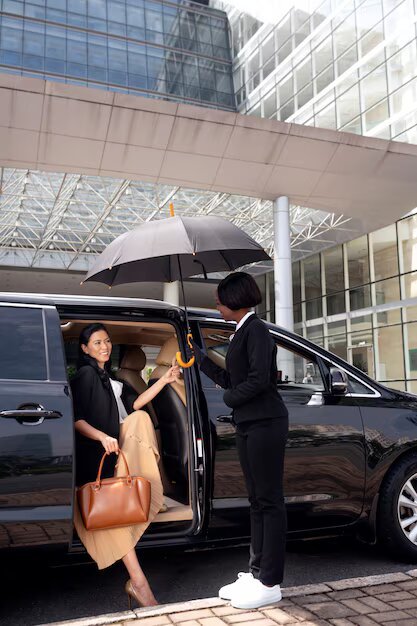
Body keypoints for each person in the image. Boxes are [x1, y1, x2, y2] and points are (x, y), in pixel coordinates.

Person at [193, 272, 289, 610]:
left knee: (269, 501)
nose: (216, 305)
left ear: (235, 301)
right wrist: (200, 360)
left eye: (220, 300)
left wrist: (230, 399)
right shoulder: (241, 332)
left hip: (266, 423)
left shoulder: (257, 331)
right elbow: (232, 378)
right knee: (257, 501)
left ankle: (270, 582)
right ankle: (256, 571)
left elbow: (260, 381)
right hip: (250, 423)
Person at [71, 323, 180, 608]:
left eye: (107, 341)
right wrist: (104, 437)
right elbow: (77, 419)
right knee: (114, 518)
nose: (104, 346)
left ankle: (139, 584)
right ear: (84, 349)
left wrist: (165, 380)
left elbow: (137, 405)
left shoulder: (113, 380)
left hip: (118, 451)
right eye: (96, 343)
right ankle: (139, 585)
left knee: (140, 417)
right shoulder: (85, 375)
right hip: (100, 455)